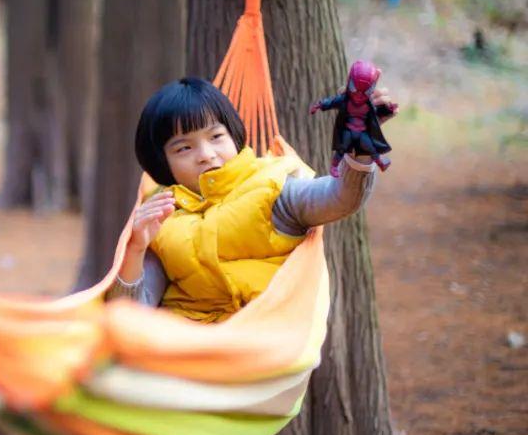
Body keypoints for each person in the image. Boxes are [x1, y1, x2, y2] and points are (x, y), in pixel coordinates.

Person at [105, 77, 397, 320]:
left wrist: (359, 147)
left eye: (216, 137)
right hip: (184, 349)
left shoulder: (273, 184)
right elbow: (131, 315)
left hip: (257, 342)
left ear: (233, 135)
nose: (206, 154)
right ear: (162, 163)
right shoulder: (160, 216)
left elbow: (340, 198)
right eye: (183, 148)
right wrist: (136, 247)